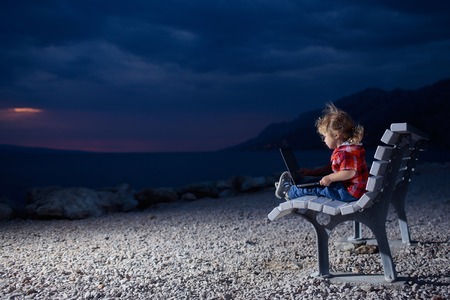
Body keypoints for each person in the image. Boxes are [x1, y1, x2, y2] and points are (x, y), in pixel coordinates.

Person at [275, 103, 369, 202]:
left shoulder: (344, 153)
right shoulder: (351, 148)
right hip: (355, 190)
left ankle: (290, 192)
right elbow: (330, 169)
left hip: (347, 192)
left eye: (325, 136)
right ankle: (292, 186)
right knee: (316, 182)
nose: (324, 140)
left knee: (316, 188)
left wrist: (329, 178)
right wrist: (310, 172)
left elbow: (349, 172)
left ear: (336, 135)